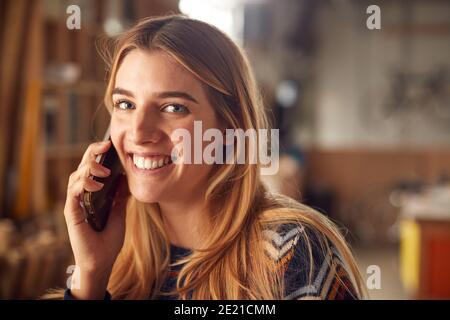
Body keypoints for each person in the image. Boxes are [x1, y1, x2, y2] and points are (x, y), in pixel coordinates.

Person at [48, 14, 365, 300]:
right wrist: (90, 276)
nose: (139, 132)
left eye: (174, 107)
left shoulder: (290, 253)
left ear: (229, 128)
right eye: (125, 104)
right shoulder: (117, 249)